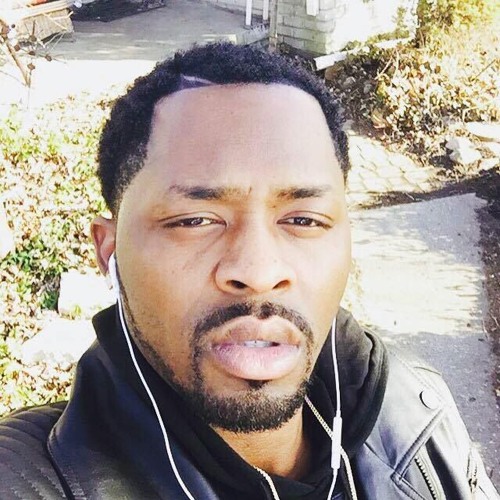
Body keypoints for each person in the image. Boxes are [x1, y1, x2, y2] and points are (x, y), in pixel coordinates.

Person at [0, 42, 498, 500]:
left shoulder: (417, 408)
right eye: (195, 221)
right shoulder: (29, 480)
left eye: (303, 220)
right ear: (109, 252)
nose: (259, 272)